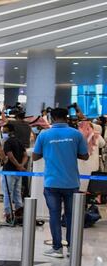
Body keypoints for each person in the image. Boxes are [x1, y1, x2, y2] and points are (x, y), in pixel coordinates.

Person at [33, 108, 89, 258]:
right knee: (71, 216)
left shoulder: (44, 134)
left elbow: (35, 156)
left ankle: (57, 248)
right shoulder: (76, 134)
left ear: (51, 118)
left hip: (52, 182)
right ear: (66, 117)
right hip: (71, 182)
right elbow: (85, 156)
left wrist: (50, 150)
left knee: (54, 215)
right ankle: (72, 248)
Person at [1, 122, 28, 220]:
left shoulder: (7, 142)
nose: (3, 133)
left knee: (8, 192)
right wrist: (21, 166)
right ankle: (19, 211)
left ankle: (8, 213)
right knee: (17, 191)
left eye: (4, 131)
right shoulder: (19, 141)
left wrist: (17, 165)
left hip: (9, 170)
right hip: (18, 171)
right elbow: (25, 155)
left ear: (8, 132)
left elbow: (10, 156)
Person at [78, 119, 105, 193]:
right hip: (94, 164)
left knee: (82, 183)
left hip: (81, 164)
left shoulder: (78, 135)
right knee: (91, 183)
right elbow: (103, 144)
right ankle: (91, 195)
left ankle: (82, 195)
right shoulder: (96, 135)